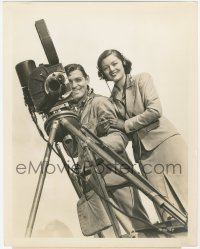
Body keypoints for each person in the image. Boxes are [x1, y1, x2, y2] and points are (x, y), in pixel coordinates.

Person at [62, 63, 156, 237]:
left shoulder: (99, 102)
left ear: (87, 79)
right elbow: (74, 152)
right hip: (93, 182)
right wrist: (65, 132)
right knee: (112, 238)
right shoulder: (73, 112)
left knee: (141, 231)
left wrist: (91, 144)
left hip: (115, 177)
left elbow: (118, 139)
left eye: (78, 80)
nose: (75, 85)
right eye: (70, 82)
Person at [97, 49, 188, 222]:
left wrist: (124, 124)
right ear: (103, 74)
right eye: (106, 68)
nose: (112, 69)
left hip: (165, 143)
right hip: (144, 155)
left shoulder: (142, 79)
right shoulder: (111, 100)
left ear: (123, 62)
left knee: (188, 195)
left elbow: (155, 111)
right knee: (166, 209)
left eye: (114, 63)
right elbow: (119, 130)